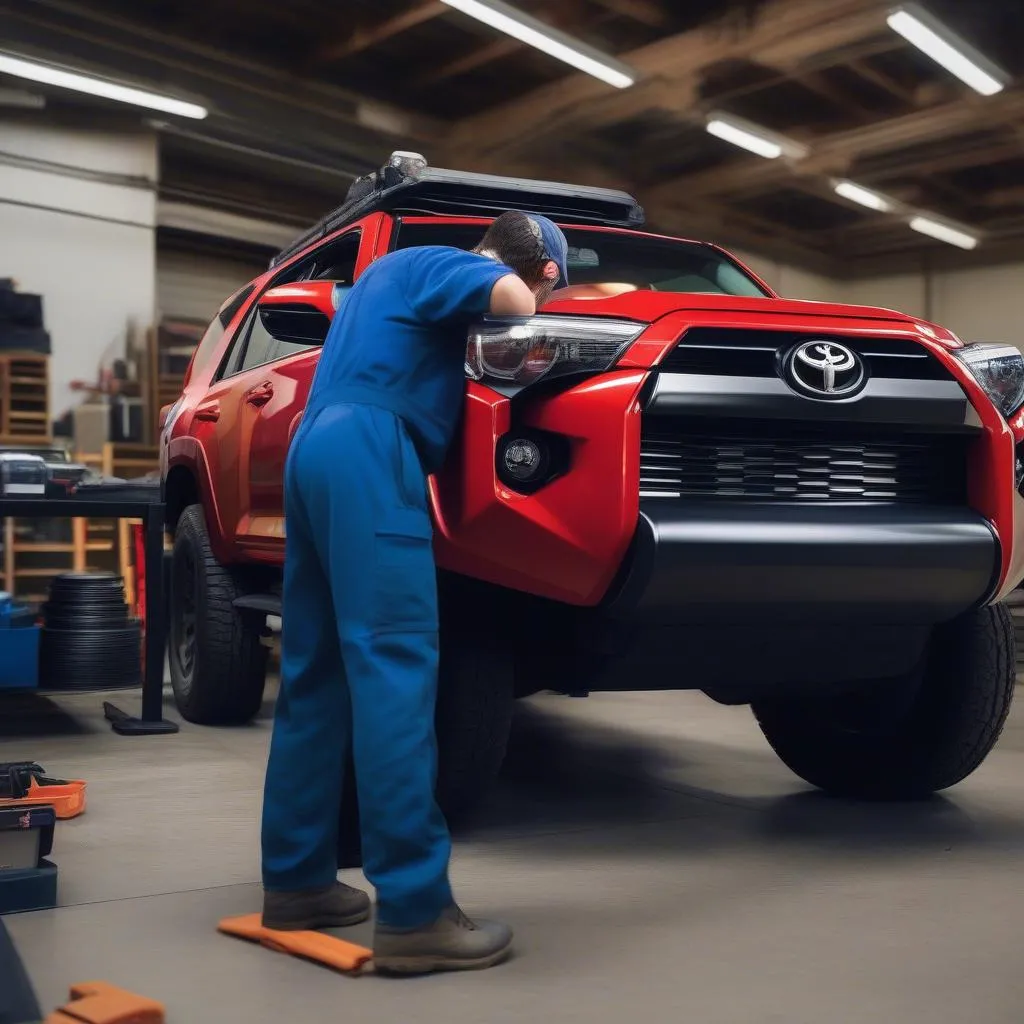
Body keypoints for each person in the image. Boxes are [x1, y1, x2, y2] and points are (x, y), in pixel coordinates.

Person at [260, 211, 570, 975]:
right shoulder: (447, 265)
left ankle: (297, 882)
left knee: (316, 674)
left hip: (317, 447)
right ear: (545, 267)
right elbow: (513, 301)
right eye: (551, 280)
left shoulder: (385, 278)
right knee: (394, 670)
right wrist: (537, 300)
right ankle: (415, 912)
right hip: (372, 449)